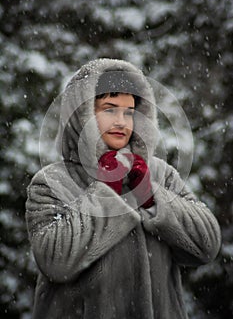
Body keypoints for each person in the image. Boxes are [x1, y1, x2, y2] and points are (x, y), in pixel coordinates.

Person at [26, 58, 221, 319]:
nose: (122, 121)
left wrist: (151, 196)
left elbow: (206, 246)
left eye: (129, 112)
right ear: (80, 116)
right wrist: (106, 193)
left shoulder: (161, 175)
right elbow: (54, 260)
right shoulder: (51, 182)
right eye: (109, 109)